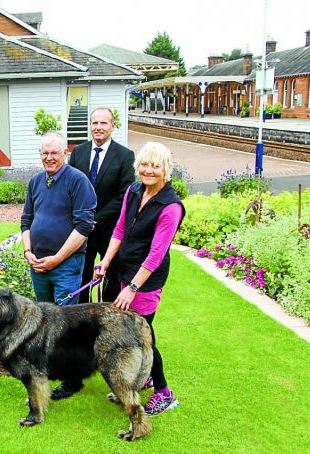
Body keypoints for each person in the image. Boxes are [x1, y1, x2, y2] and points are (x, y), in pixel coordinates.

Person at [96, 141, 185, 417]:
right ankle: (143, 379)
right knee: (130, 333)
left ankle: (164, 392)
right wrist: (106, 261)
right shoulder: (134, 191)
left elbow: (157, 253)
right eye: (144, 164)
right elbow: (120, 227)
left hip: (146, 281)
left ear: (166, 170)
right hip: (125, 270)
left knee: (144, 337)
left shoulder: (171, 207)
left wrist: (133, 288)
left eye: (155, 166)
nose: (148, 170)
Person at [21, 131, 96, 306]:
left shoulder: (78, 181)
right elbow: (26, 221)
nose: (49, 158)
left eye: (54, 153)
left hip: (67, 265)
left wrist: (57, 259)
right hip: (38, 264)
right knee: (44, 320)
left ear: (65, 153)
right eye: (45, 153)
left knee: (65, 323)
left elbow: (84, 227)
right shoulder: (35, 182)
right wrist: (27, 252)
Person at [68, 107, 135, 304]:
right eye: (95, 123)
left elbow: (124, 195)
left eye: (103, 123)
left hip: (110, 232)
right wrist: (82, 221)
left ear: (113, 126)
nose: (98, 127)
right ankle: (82, 322)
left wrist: (94, 219)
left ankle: (109, 321)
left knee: (112, 280)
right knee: (81, 279)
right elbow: (70, 190)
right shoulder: (78, 153)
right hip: (81, 232)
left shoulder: (125, 156)